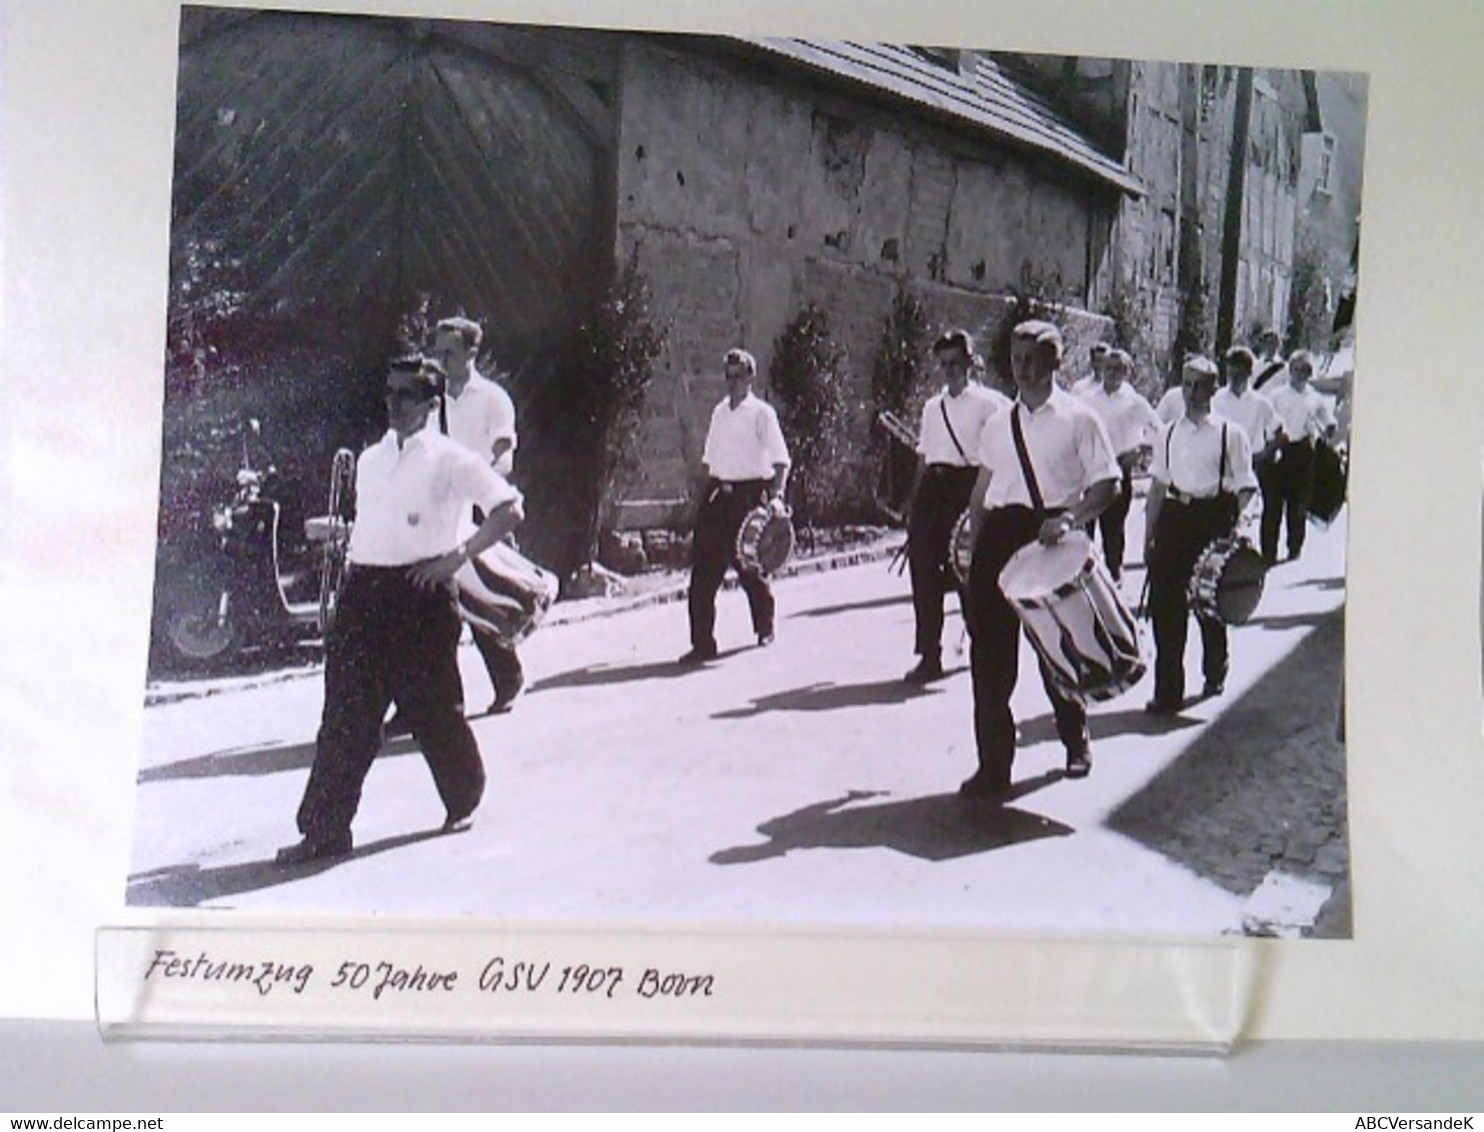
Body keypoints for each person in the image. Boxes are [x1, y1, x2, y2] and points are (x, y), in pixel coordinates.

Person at [276, 356, 524, 865]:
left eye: (406, 395)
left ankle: (463, 794)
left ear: (431, 405)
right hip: (363, 593)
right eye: (389, 393)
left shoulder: (452, 459)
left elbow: (508, 509)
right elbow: (375, 525)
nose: (393, 404)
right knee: (346, 717)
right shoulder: (369, 459)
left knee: (435, 713)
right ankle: (324, 830)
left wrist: (456, 558)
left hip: (419, 595)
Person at [959, 320, 1119, 799]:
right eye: (1015, 357)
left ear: (1056, 362)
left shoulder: (1079, 418)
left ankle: (1075, 740)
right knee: (988, 655)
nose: (1021, 367)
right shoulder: (997, 423)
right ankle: (993, 766)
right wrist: (971, 546)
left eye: (1032, 358)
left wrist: (1071, 519)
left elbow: (1109, 484)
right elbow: (983, 492)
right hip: (1002, 535)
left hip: (1052, 534)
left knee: (1059, 650)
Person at [1142, 356, 1257, 714]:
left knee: (1210, 604)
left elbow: (1246, 487)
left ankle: (1214, 669)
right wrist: (1149, 536)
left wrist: (1238, 529)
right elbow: (1158, 487)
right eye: (1187, 384)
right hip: (1175, 519)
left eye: (1200, 385)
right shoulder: (1168, 433)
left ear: (1214, 388)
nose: (1192, 392)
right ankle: (1168, 692)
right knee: (1166, 609)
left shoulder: (1230, 434)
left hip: (1212, 519)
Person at [430, 316, 526, 715]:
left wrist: (480, 486)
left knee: (487, 603)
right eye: (437, 352)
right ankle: (430, 701)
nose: (441, 360)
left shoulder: (492, 398)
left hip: (483, 513)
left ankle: (508, 677)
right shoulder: (430, 402)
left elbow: (503, 454)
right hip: (441, 517)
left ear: (472, 353)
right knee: (434, 613)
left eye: (449, 352)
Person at [902, 329, 1010, 684]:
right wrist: (914, 505)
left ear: (970, 363)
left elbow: (1001, 456)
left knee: (969, 570)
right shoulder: (933, 407)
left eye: (956, 363)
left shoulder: (991, 404)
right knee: (923, 572)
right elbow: (924, 456)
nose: (950, 371)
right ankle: (929, 654)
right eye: (944, 364)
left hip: (970, 488)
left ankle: (983, 644)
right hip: (935, 490)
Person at [681, 347, 791, 664]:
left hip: (750, 495)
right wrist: (698, 501)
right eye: (728, 376)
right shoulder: (719, 412)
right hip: (719, 495)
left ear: (750, 378)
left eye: (738, 376)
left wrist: (777, 497)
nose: (732, 382)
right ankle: (702, 643)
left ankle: (764, 626)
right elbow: (709, 463)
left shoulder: (762, 414)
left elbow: (781, 460)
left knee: (750, 569)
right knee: (703, 574)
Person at [1075, 347, 1158, 580]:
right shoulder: (1086, 400)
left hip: (1119, 473)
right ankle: (1085, 578)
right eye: (1108, 368)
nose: (1111, 373)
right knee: (1084, 528)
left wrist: (1140, 449)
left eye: (1117, 369)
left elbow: (1159, 431)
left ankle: (1114, 574)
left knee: (1113, 530)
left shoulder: (1135, 402)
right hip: (1090, 474)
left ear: (1127, 372)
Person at [1259, 349, 1337, 565]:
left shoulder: (1314, 396)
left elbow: (1327, 419)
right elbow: (1265, 421)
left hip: (1302, 453)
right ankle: (1268, 553)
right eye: (1298, 369)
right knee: (1273, 505)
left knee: (1298, 505)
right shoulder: (1276, 395)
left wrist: (1329, 427)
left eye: (1306, 370)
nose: (1302, 374)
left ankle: (1294, 549)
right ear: (1290, 370)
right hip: (1278, 452)